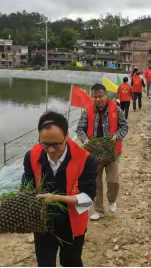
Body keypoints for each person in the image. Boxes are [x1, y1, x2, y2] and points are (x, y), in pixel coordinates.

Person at [22, 111, 97, 267]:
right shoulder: (31, 156)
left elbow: (87, 199)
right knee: (45, 262)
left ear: (67, 136)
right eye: (45, 144)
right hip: (43, 222)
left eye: (56, 145)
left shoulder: (85, 159)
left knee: (71, 262)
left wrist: (57, 199)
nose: (50, 150)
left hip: (72, 223)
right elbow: (26, 185)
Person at [76, 84, 128, 221]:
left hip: (111, 151)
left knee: (113, 180)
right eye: (95, 97)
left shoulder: (116, 110)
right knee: (96, 182)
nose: (98, 99)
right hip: (93, 152)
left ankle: (111, 200)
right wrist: (85, 140)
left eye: (101, 96)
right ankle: (99, 210)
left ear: (106, 96)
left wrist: (116, 136)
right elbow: (80, 128)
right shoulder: (87, 111)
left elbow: (124, 126)